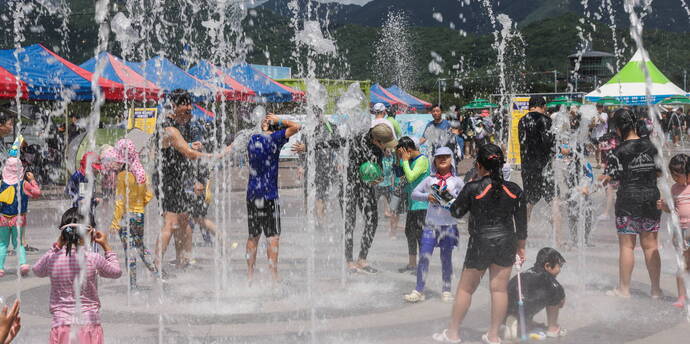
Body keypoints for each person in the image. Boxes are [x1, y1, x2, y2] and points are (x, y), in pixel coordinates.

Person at [433, 144, 527, 344]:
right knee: (499, 290)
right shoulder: (514, 190)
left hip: (480, 242)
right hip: (507, 241)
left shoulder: (473, 187)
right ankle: (493, 336)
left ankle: (453, 333)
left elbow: (456, 212)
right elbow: (521, 223)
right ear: (501, 165)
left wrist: (450, 197)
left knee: (466, 290)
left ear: (478, 165)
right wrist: (521, 248)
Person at [153, 89, 224, 272]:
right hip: (166, 180)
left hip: (180, 179)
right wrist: (217, 154)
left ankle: (182, 260)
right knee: (170, 222)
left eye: (190, 106)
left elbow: (184, 148)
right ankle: (157, 266)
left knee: (184, 220)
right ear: (174, 107)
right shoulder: (168, 128)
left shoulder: (182, 125)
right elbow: (189, 153)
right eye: (185, 107)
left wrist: (192, 146)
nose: (189, 110)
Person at [315, 124, 397, 273]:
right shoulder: (357, 139)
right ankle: (348, 261)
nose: (386, 147)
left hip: (366, 187)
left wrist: (377, 179)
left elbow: (378, 170)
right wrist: (310, 147)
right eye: (385, 144)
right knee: (349, 223)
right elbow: (334, 142)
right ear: (377, 140)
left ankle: (362, 259)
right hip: (349, 187)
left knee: (372, 221)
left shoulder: (379, 146)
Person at [33, 207, 122, 344]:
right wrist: (106, 246)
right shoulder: (93, 258)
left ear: (63, 234)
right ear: (90, 233)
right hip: (89, 326)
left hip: (61, 327)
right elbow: (116, 272)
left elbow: (37, 270)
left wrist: (57, 245)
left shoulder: (53, 258)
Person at [600, 108, 662, 299]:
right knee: (651, 246)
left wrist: (597, 181)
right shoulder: (652, 146)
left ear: (618, 128)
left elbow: (610, 178)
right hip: (651, 198)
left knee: (627, 246)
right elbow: (659, 172)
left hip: (628, 200)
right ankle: (656, 290)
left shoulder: (617, 152)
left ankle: (624, 289)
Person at [246, 113, 301, 283]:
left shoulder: (252, 139)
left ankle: (250, 276)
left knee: (253, 236)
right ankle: (273, 276)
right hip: (270, 195)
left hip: (252, 194)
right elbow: (296, 126)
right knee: (272, 236)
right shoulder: (276, 139)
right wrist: (278, 119)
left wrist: (274, 121)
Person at [404, 147, 463, 303]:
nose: (442, 159)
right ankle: (419, 289)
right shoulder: (430, 180)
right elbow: (414, 194)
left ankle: (446, 290)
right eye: (439, 157)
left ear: (451, 160)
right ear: (434, 161)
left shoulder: (457, 181)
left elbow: (465, 200)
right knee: (424, 256)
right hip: (431, 225)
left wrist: (455, 200)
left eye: (446, 157)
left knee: (446, 258)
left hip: (449, 225)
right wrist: (427, 197)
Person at [106, 139, 159, 289]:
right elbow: (149, 196)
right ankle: (156, 274)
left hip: (126, 217)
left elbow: (120, 202)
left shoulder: (123, 176)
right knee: (140, 245)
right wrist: (139, 206)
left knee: (129, 249)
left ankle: (133, 284)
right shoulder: (142, 173)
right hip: (139, 215)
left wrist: (115, 222)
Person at [518, 96, 562, 246]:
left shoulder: (522, 121)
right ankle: (558, 241)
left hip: (528, 168)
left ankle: (521, 239)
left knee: (529, 203)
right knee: (554, 201)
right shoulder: (546, 120)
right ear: (543, 106)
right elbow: (551, 145)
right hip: (545, 167)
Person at [504, 247, 567, 340]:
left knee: (531, 295)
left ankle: (518, 321)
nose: (560, 270)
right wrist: (561, 298)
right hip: (523, 308)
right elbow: (560, 301)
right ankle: (552, 328)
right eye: (559, 266)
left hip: (506, 310)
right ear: (548, 266)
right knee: (555, 294)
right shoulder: (549, 281)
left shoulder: (526, 273)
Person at [657, 154, 690, 308]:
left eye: (678, 175)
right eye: (673, 175)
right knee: (681, 264)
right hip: (680, 231)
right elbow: (673, 209)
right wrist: (665, 207)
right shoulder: (675, 188)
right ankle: (681, 297)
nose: (675, 178)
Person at [0, 157, 40, 277]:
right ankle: (23, 264)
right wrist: (33, 180)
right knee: (19, 243)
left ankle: (0, 268)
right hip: (19, 219)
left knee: (2, 244)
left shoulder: (1, 184)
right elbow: (37, 193)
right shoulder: (24, 184)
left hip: (3, 219)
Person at [396, 137, 430, 274]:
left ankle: (423, 266)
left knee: (420, 235)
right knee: (409, 233)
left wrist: (404, 160)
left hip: (422, 205)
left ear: (408, 150)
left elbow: (410, 177)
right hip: (412, 205)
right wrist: (398, 158)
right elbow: (399, 174)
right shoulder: (410, 160)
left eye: (402, 152)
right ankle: (412, 264)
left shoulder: (422, 160)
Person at [590, 104, 608, 168]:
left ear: (602, 108)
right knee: (597, 149)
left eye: (600, 107)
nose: (599, 108)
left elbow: (604, 121)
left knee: (599, 149)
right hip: (594, 134)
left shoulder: (605, 114)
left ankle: (600, 163)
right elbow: (591, 126)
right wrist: (593, 123)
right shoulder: (593, 115)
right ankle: (598, 162)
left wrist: (598, 116)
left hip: (601, 135)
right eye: (598, 107)